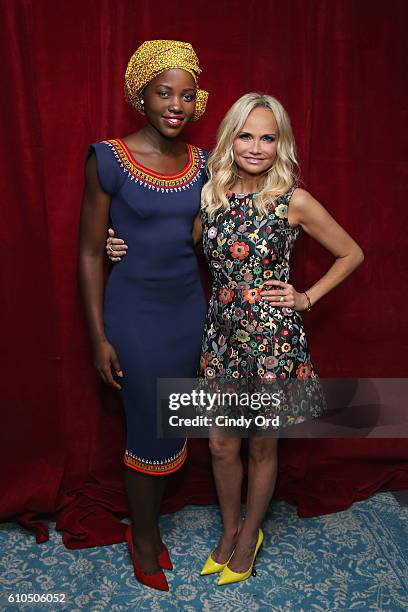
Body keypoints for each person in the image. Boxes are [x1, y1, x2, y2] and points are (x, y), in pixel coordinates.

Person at [106, 92, 364, 585]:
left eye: (269, 137)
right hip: (221, 335)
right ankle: (228, 530)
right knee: (223, 446)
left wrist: (306, 297)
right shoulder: (210, 194)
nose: (256, 147)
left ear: (281, 144)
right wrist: (109, 240)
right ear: (230, 138)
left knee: (262, 448)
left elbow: (351, 253)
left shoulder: (294, 200)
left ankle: (249, 537)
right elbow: (162, 235)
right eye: (246, 135)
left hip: (272, 342)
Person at [78, 39, 209, 592]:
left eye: (185, 94)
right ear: (141, 95)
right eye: (163, 92)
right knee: (147, 428)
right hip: (133, 315)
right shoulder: (108, 157)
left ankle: (149, 530)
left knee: (173, 422)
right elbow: (88, 251)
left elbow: (208, 240)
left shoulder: (203, 164)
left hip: (188, 313)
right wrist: (97, 338)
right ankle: (146, 540)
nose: (175, 104)